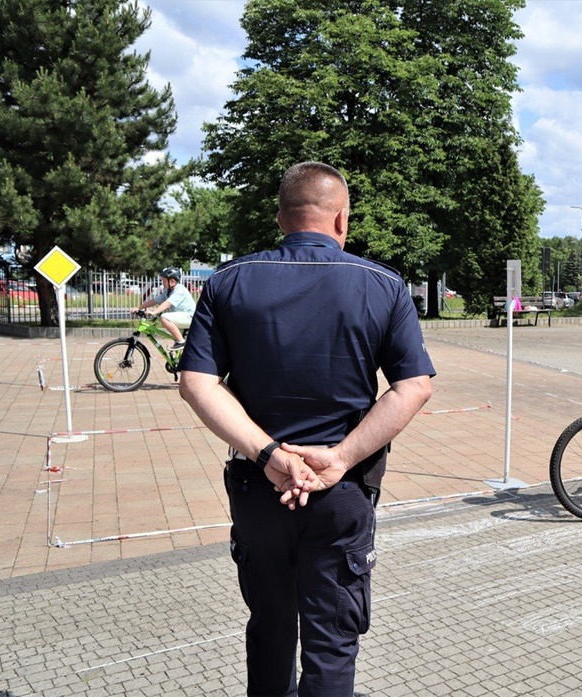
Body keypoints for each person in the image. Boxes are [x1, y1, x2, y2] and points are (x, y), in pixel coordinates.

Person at [178, 161, 435, 696]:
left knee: (270, 630)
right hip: (341, 490)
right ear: (342, 219)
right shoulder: (384, 285)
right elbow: (413, 388)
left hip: (258, 487)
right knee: (332, 640)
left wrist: (269, 454)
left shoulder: (228, 281)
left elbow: (196, 383)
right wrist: (339, 458)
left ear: (280, 218)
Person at [135, 267, 196, 350]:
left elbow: (167, 303)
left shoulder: (179, 290)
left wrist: (154, 312)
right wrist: (139, 307)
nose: (162, 283)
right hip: (181, 318)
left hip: (189, 317)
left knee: (164, 317)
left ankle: (181, 341)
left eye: (164, 281)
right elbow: (155, 300)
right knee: (181, 353)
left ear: (172, 281)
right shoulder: (168, 291)